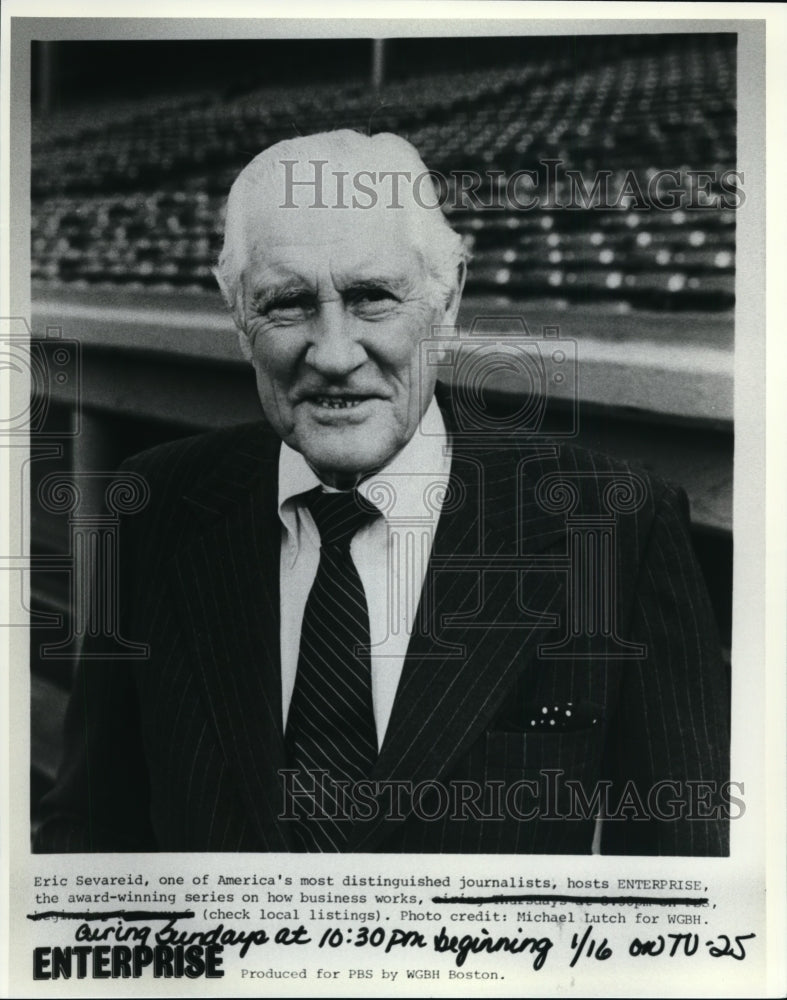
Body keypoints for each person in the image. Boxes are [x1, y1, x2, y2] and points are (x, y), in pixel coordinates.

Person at [34, 130, 730, 855]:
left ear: (448, 299)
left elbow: (680, 889)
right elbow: (88, 830)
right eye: (287, 302)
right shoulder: (153, 503)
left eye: (371, 298)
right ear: (236, 314)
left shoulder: (614, 523)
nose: (333, 353)